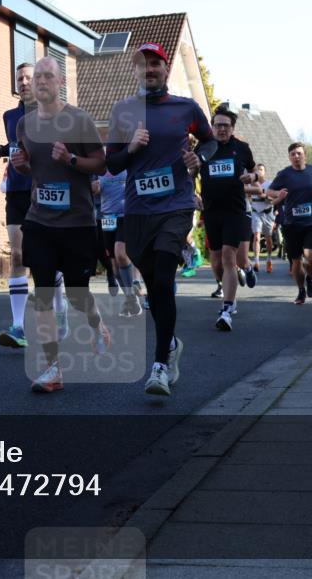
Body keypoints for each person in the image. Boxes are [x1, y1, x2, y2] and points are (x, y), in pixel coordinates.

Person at [106, 42, 211, 396]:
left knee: (164, 276)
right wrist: (131, 148)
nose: (149, 69)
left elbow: (211, 143)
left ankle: (159, 366)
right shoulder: (122, 111)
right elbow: (112, 163)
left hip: (176, 205)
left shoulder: (186, 108)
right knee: (155, 288)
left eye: (155, 64)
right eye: (143, 65)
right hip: (137, 211)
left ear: (166, 69)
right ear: (136, 71)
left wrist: (200, 159)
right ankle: (171, 344)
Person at [10, 57, 110, 393]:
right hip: (40, 220)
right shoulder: (24, 124)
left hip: (77, 223)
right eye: (36, 76)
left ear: (60, 82)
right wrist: (20, 164)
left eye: (47, 76)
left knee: (79, 295)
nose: (40, 81)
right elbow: (31, 170)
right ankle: (52, 368)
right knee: (43, 295)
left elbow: (101, 162)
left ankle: (97, 324)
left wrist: (70, 159)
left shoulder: (79, 120)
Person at [0, 64, 69, 348]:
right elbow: (16, 144)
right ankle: (18, 326)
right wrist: (1, 151)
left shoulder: (55, 114)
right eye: (20, 78)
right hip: (16, 190)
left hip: (45, 190)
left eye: (29, 77)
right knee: (18, 255)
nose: (24, 82)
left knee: (49, 257)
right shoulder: (9, 116)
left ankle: (61, 313)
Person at [199, 106, 259, 331]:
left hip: (235, 211)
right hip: (211, 211)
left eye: (225, 125)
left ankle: (226, 309)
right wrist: (192, 195)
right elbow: (190, 174)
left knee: (228, 256)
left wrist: (252, 176)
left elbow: (258, 174)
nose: (221, 129)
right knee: (215, 262)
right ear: (212, 127)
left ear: (232, 128)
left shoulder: (241, 148)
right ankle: (227, 290)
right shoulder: (204, 148)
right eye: (217, 125)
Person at [268, 143, 312, 304]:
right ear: (289, 157)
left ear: (305, 155)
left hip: (311, 222)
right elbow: (269, 192)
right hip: (291, 224)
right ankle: (301, 290)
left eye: (299, 153)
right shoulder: (284, 174)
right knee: (296, 261)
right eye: (293, 154)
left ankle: (310, 278)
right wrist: (278, 194)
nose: (296, 156)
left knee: (310, 258)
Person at [97, 168, 144, 316]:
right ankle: (130, 299)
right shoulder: (98, 163)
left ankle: (135, 285)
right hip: (106, 217)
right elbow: (92, 187)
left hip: (127, 215)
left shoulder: (126, 160)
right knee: (115, 267)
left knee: (121, 254)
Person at [249, 164, 277, 274]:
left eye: (261, 170)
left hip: (267, 212)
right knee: (256, 236)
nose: (259, 172)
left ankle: (269, 259)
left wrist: (265, 196)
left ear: (264, 172)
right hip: (256, 212)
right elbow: (247, 196)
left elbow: (275, 198)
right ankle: (256, 261)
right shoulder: (251, 184)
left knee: (268, 238)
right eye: (257, 170)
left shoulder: (270, 184)